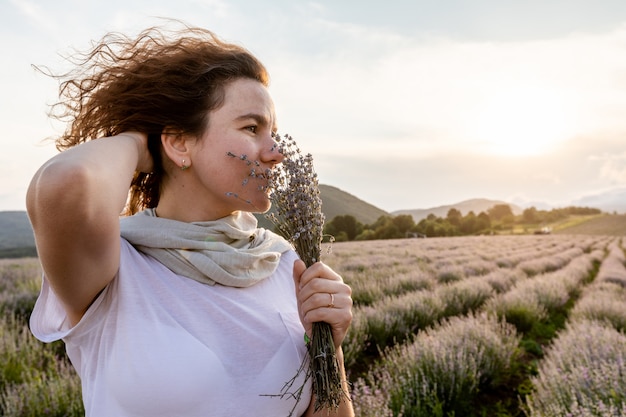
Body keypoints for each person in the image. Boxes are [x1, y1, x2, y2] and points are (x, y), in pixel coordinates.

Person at [27, 23, 354, 417]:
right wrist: (139, 143)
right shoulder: (114, 270)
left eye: (275, 132)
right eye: (252, 128)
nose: (276, 152)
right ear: (179, 142)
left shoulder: (285, 263)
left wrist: (329, 349)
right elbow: (66, 183)